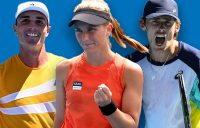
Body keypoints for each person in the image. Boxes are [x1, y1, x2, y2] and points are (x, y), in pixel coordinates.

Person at [53, 0, 149, 128]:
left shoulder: (130, 70)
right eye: (79, 30)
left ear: (108, 29)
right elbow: (59, 120)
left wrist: (108, 107)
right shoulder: (63, 69)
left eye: (91, 29)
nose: (85, 38)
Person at [126, 0, 200, 127]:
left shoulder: (195, 61)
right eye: (155, 21)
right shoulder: (132, 64)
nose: (161, 28)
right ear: (143, 24)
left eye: (167, 22)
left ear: (177, 26)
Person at [0, 1, 65, 128]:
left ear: (48, 30)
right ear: (15, 28)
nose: (32, 27)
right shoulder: (1, 74)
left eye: (39, 22)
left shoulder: (67, 68)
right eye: (25, 21)